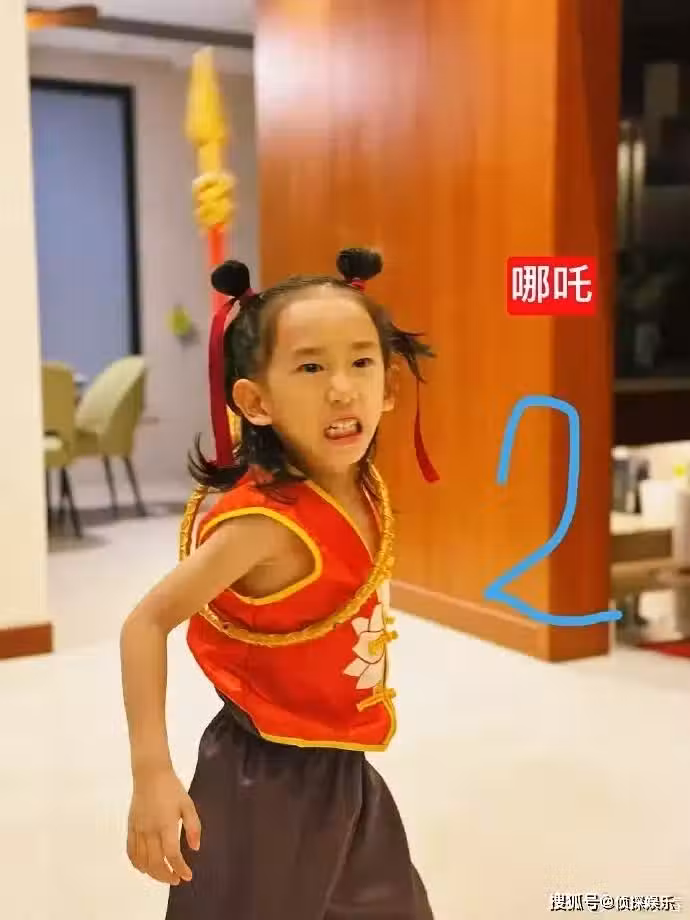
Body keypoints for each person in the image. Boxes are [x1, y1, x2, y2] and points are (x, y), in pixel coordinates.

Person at [120, 247, 438, 919]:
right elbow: (145, 623)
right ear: (255, 401)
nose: (342, 388)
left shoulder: (359, 487)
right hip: (262, 777)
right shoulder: (264, 527)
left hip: (341, 763)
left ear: (388, 386)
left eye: (361, 361)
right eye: (311, 367)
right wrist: (152, 772)